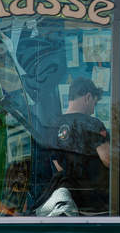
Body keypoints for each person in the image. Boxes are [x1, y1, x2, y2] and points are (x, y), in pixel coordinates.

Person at [37, 76, 110, 216]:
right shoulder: (93, 124)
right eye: (94, 103)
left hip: (74, 206)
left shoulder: (52, 129)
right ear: (88, 97)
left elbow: (60, 169)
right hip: (100, 204)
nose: (93, 110)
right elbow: (109, 160)